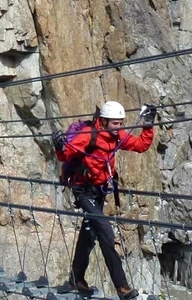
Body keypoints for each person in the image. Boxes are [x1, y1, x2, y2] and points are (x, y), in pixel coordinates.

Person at [53, 101, 157, 300]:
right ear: (104, 121)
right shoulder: (88, 135)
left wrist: (148, 124)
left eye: (121, 123)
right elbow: (65, 154)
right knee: (106, 233)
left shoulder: (116, 136)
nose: (120, 127)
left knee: (89, 234)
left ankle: (76, 279)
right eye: (116, 123)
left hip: (98, 193)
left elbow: (141, 145)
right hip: (83, 191)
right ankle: (122, 287)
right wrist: (59, 146)